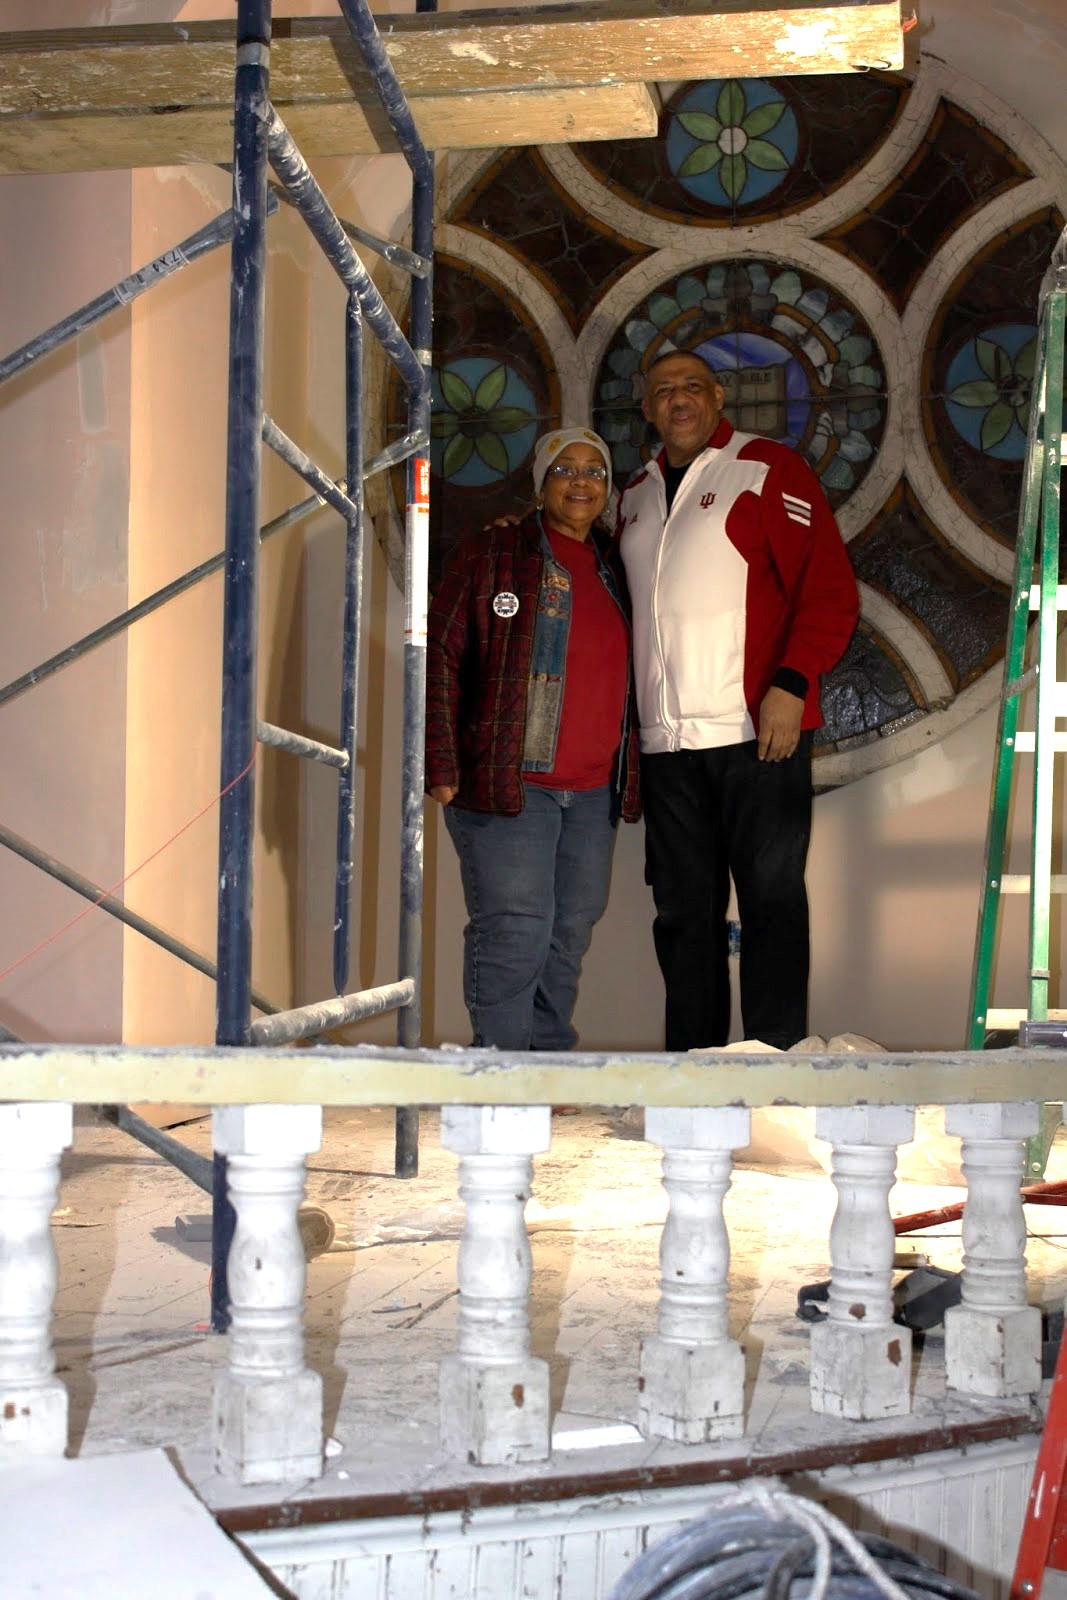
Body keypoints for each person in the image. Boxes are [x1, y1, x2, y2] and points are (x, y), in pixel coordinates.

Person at [617, 348, 859, 1051]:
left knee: (770, 904)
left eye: (692, 386)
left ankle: (774, 1069)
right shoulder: (632, 494)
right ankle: (691, 1074)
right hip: (667, 746)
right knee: (682, 915)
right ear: (647, 407)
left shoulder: (766, 468)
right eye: (663, 390)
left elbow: (828, 589)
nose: (678, 399)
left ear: (719, 397)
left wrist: (791, 683)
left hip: (757, 733)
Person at [426, 428, 640, 1051]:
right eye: (566, 470)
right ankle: (500, 1070)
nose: (581, 482)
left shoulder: (615, 564)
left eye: (595, 471)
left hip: (594, 789)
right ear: (541, 484)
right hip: (508, 780)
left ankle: (546, 1061)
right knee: (515, 929)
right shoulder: (492, 552)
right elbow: (441, 655)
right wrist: (439, 757)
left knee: (570, 929)